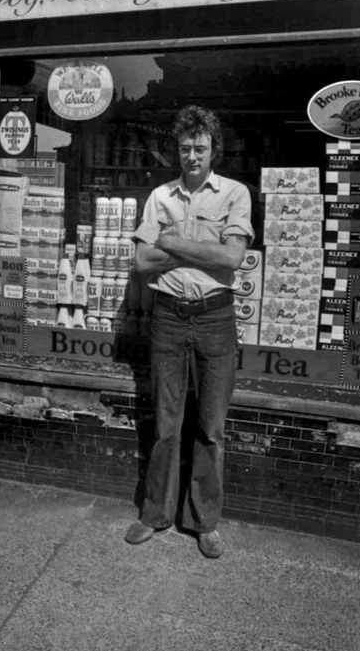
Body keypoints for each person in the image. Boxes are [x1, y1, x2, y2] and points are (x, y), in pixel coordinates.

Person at [125, 105, 253, 558]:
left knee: (212, 426)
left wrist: (173, 243)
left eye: (200, 147)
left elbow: (232, 259)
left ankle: (204, 521)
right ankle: (154, 514)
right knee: (166, 422)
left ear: (214, 149)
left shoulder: (235, 194)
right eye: (184, 148)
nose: (192, 156)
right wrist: (205, 252)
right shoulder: (160, 197)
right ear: (175, 151)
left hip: (216, 317)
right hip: (168, 316)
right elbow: (142, 264)